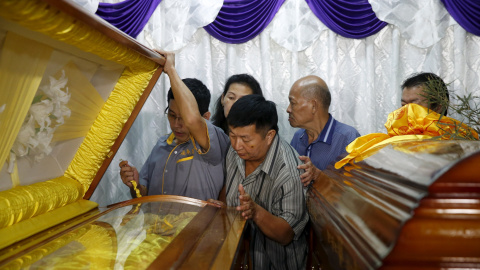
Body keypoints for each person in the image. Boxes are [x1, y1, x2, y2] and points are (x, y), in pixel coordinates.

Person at [119, 51, 229, 201]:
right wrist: (135, 185)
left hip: (198, 225)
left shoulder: (215, 142)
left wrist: (170, 70)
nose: (176, 124)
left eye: (183, 118)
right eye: (172, 115)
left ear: (206, 118)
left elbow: (193, 120)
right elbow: (143, 196)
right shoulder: (161, 145)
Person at [222, 95, 308, 270]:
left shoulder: (290, 172)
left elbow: (286, 234)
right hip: (237, 259)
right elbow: (229, 189)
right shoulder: (235, 151)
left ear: (269, 136)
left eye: (246, 139)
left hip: (274, 264)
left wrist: (256, 212)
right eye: (232, 135)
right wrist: (221, 209)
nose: (237, 145)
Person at [287, 75, 360, 186]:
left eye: (293, 103)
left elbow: (356, 191)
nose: (288, 109)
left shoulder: (348, 138)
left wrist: (318, 175)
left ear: (313, 106)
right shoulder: (298, 137)